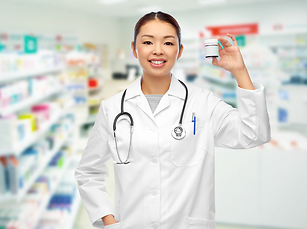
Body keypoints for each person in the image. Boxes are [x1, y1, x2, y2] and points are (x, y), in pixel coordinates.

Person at [74, 11, 271, 229]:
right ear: (134, 49)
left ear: (179, 51)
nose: (157, 50)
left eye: (168, 43)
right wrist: (107, 220)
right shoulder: (112, 108)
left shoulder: (203, 103)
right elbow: (88, 172)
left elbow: (254, 134)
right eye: (148, 42)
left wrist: (240, 71)